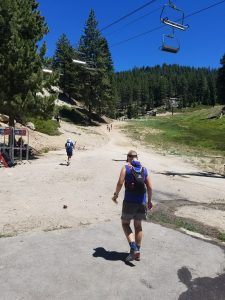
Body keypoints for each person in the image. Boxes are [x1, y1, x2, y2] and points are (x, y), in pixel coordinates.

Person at [112, 150, 153, 262]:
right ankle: (137, 252)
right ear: (137, 157)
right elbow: (149, 187)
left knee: (125, 224)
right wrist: (149, 201)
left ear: (128, 157)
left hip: (129, 202)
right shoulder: (144, 169)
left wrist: (115, 195)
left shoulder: (126, 168)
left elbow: (120, 183)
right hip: (142, 202)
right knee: (138, 226)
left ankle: (134, 248)